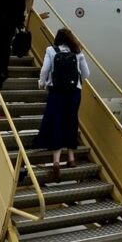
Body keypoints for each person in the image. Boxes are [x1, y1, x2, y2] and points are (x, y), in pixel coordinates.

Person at [34, 28, 90, 183]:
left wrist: (42, 82)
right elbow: (86, 74)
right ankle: (72, 158)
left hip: (56, 91)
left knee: (56, 122)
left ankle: (56, 162)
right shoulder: (77, 51)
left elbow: (45, 69)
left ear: (57, 38)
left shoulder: (51, 50)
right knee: (71, 122)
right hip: (74, 92)